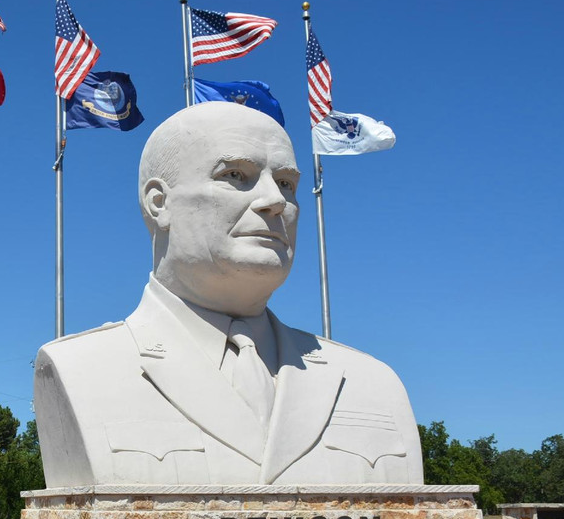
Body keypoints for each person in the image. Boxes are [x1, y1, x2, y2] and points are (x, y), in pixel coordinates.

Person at [34, 101, 423, 486]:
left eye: (286, 184)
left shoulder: (372, 383)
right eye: (236, 175)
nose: (275, 201)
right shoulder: (80, 368)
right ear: (159, 203)